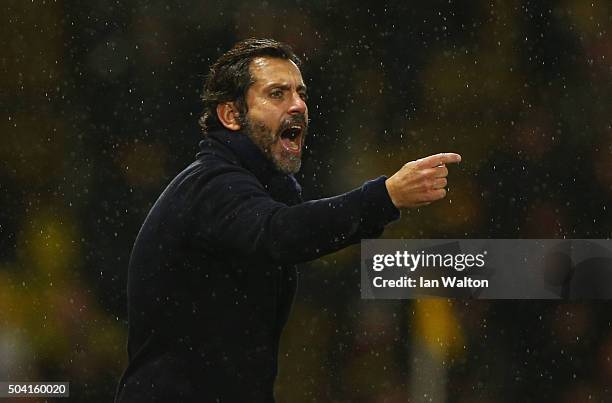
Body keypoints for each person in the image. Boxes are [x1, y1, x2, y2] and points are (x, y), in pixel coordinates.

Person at [114, 38, 461, 402]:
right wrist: (384, 197)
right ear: (231, 115)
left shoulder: (254, 190)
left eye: (300, 93)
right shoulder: (212, 185)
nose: (298, 105)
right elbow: (279, 232)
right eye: (277, 94)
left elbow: (297, 241)